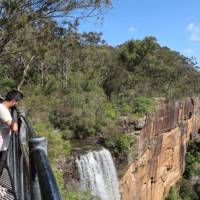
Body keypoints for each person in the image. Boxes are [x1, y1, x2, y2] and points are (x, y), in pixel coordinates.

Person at [0, 90, 23, 197]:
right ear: (14, 101)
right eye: (17, 102)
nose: (17, 105)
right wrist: (18, 123)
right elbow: (14, 128)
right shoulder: (3, 110)